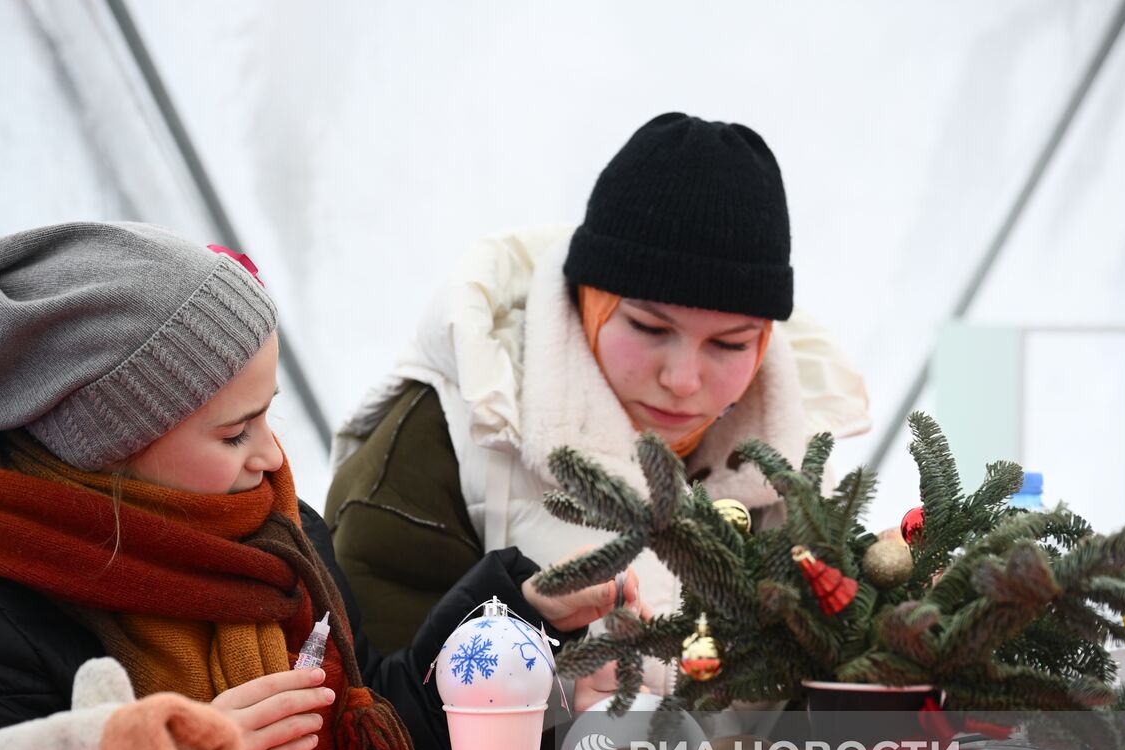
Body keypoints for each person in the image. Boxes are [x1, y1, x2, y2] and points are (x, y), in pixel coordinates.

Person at [0, 217, 628, 750]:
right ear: (104, 442)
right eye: (234, 431)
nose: (269, 454)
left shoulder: (280, 546)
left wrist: (519, 619)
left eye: (268, 413)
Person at [325, 113, 870, 710]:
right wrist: (565, 721)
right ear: (591, 301)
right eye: (647, 326)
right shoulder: (443, 434)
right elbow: (377, 731)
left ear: (765, 341)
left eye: (730, 344)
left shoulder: (797, 459)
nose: (683, 380)